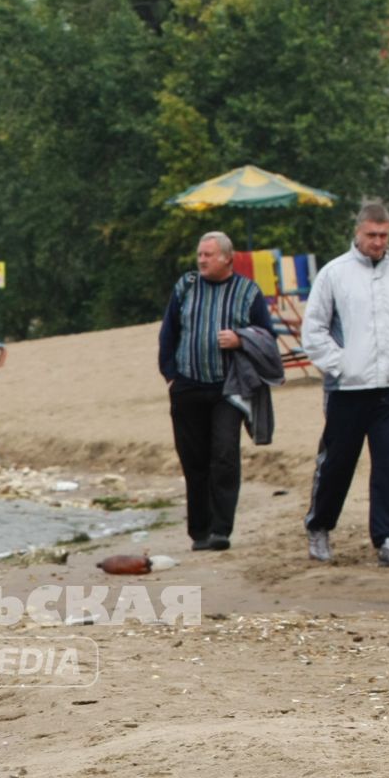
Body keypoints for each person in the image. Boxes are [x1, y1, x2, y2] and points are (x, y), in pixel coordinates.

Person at [299, 200, 389, 568]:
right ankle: (320, 526)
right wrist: (339, 366)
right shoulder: (334, 274)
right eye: (371, 235)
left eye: (384, 235)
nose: (377, 242)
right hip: (347, 388)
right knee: (337, 462)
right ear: (358, 233)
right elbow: (314, 329)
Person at [157, 231, 274, 551]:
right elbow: (169, 331)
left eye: (209, 255)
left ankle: (221, 530)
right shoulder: (186, 286)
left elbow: (267, 337)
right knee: (193, 459)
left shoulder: (247, 292)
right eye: (200, 254)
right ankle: (200, 532)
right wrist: (170, 375)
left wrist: (240, 339)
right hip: (187, 385)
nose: (202, 260)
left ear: (227, 258)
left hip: (228, 388)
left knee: (223, 455)